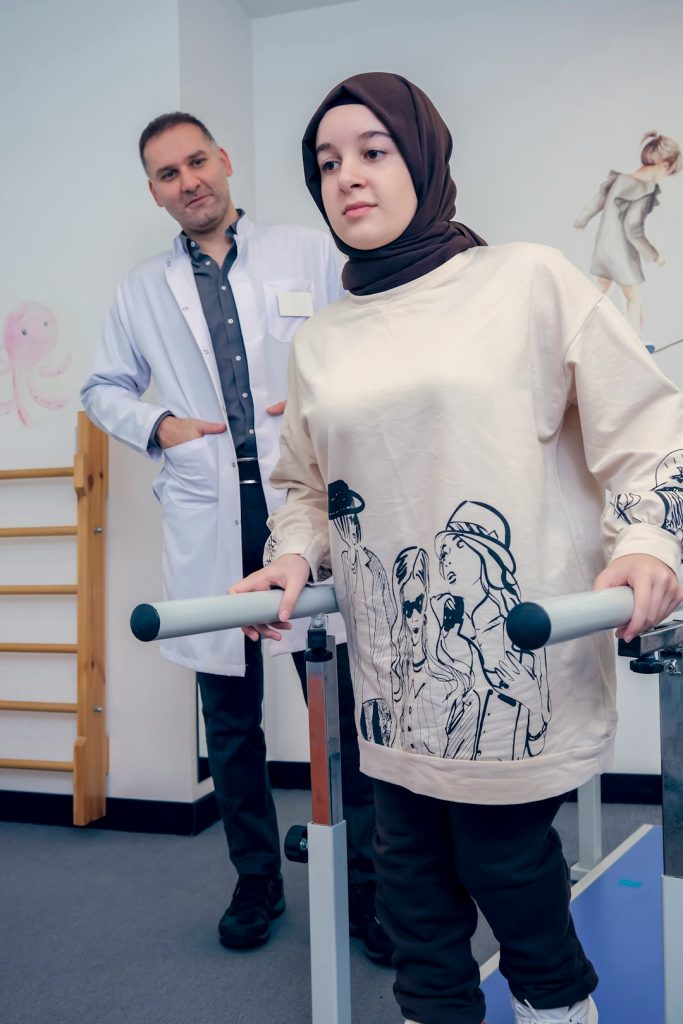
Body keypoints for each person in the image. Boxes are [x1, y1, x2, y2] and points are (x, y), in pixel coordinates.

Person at [231, 73, 683, 1024]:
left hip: (514, 654)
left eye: (372, 151)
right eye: (325, 162)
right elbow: (306, 486)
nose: (346, 176)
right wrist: (292, 556)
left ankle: (562, 1011)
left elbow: (647, 430)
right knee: (410, 895)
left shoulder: (524, 279)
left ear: (424, 157)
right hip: (391, 675)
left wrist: (646, 541)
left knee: (508, 872)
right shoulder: (321, 341)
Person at [80, 111, 392, 962]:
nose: (188, 182)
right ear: (154, 191)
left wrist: (335, 395)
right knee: (230, 720)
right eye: (166, 174)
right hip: (209, 514)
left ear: (224, 160)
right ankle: (256, 879)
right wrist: (159, 425)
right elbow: (100, 386)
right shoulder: (141, 289)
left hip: (307, 510)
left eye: (196, 162)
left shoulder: (307, 250)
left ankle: (368, 888)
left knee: (339, 719)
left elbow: (374, 331)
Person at [574, 131, 682, 342]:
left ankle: (579, 330)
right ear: (663, 166)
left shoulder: (619, 179)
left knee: (600, 288)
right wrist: (654, 255)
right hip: (621, 252)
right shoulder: (644, 190)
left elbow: (597, 202)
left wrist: (581, 220)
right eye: (668, 174)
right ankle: (635, 341)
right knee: (634, 296)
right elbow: (633, 230)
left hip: (603, 246)